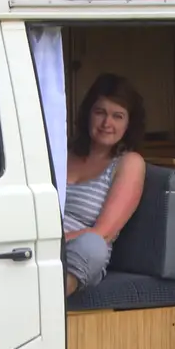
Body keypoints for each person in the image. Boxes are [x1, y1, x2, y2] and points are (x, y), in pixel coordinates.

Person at [63, 73, 147, 296]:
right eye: (100, 112)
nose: (106, 123)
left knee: (93, 245)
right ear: (88, 114)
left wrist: (51, 242)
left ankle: (43, 306)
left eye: (117, 116)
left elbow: (104, 233)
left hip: (79, 253)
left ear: (129, 124)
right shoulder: (62, 153)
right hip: (37, 246)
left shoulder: (129, 163)